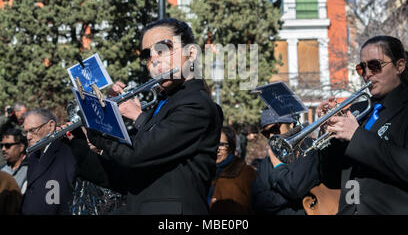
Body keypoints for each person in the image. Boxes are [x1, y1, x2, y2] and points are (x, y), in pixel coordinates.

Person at [69, 18, 223, 214]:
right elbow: (121, 176)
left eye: (163, 49)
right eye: (148, 55)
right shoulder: (161, 106)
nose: (154, 59)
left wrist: (100, 126)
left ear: (191, 53)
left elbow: (136, 154)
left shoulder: (197, 106)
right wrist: (81, 141)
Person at [319, 35, 408, 215]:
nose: (367, 74)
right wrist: (329, 134)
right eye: (362, 68)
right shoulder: (359, 109)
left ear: (400, 66)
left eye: (375, 66)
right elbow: (331, 178)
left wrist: (356, 136)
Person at [251, 109, 321, 215]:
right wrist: (292, 197)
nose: (271, 136)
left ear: (291, 125)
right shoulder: (269, 158)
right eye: (266, 133)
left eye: (275, 129)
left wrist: (278, 166)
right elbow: (258, 200)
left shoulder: (309, 149)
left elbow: (295, 189)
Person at [20, 109, 77, 215]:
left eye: (32, 130)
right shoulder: (34, 157)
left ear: (50, 126)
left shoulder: (66, 151)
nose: (28, 137)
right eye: (25, 132)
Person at [208, 126, 256, 214]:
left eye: (222, 145)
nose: (217, 149)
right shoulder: (206, 172)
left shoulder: (245, 173)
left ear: (231, 147)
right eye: (214, 144)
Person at [1, 128, 28, 192]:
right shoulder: (2, 170)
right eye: (1, 146)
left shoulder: (31, 169)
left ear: (21, 147)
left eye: (8, 145)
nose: (3, 149)